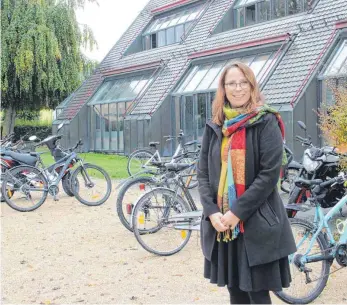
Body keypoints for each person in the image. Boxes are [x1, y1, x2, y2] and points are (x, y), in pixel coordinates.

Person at [197, 62, 297, 304]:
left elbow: (269, 175)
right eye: (232, 83)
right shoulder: (216, 126)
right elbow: (202, 174)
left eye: (243, 82)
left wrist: (236, 213)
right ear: (223, 88)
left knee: (258, 294)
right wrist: (212, 213)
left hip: (255, 224)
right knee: (236, 292)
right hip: (223, 226)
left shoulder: (266, 121)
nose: (238, 88)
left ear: (252, 86)